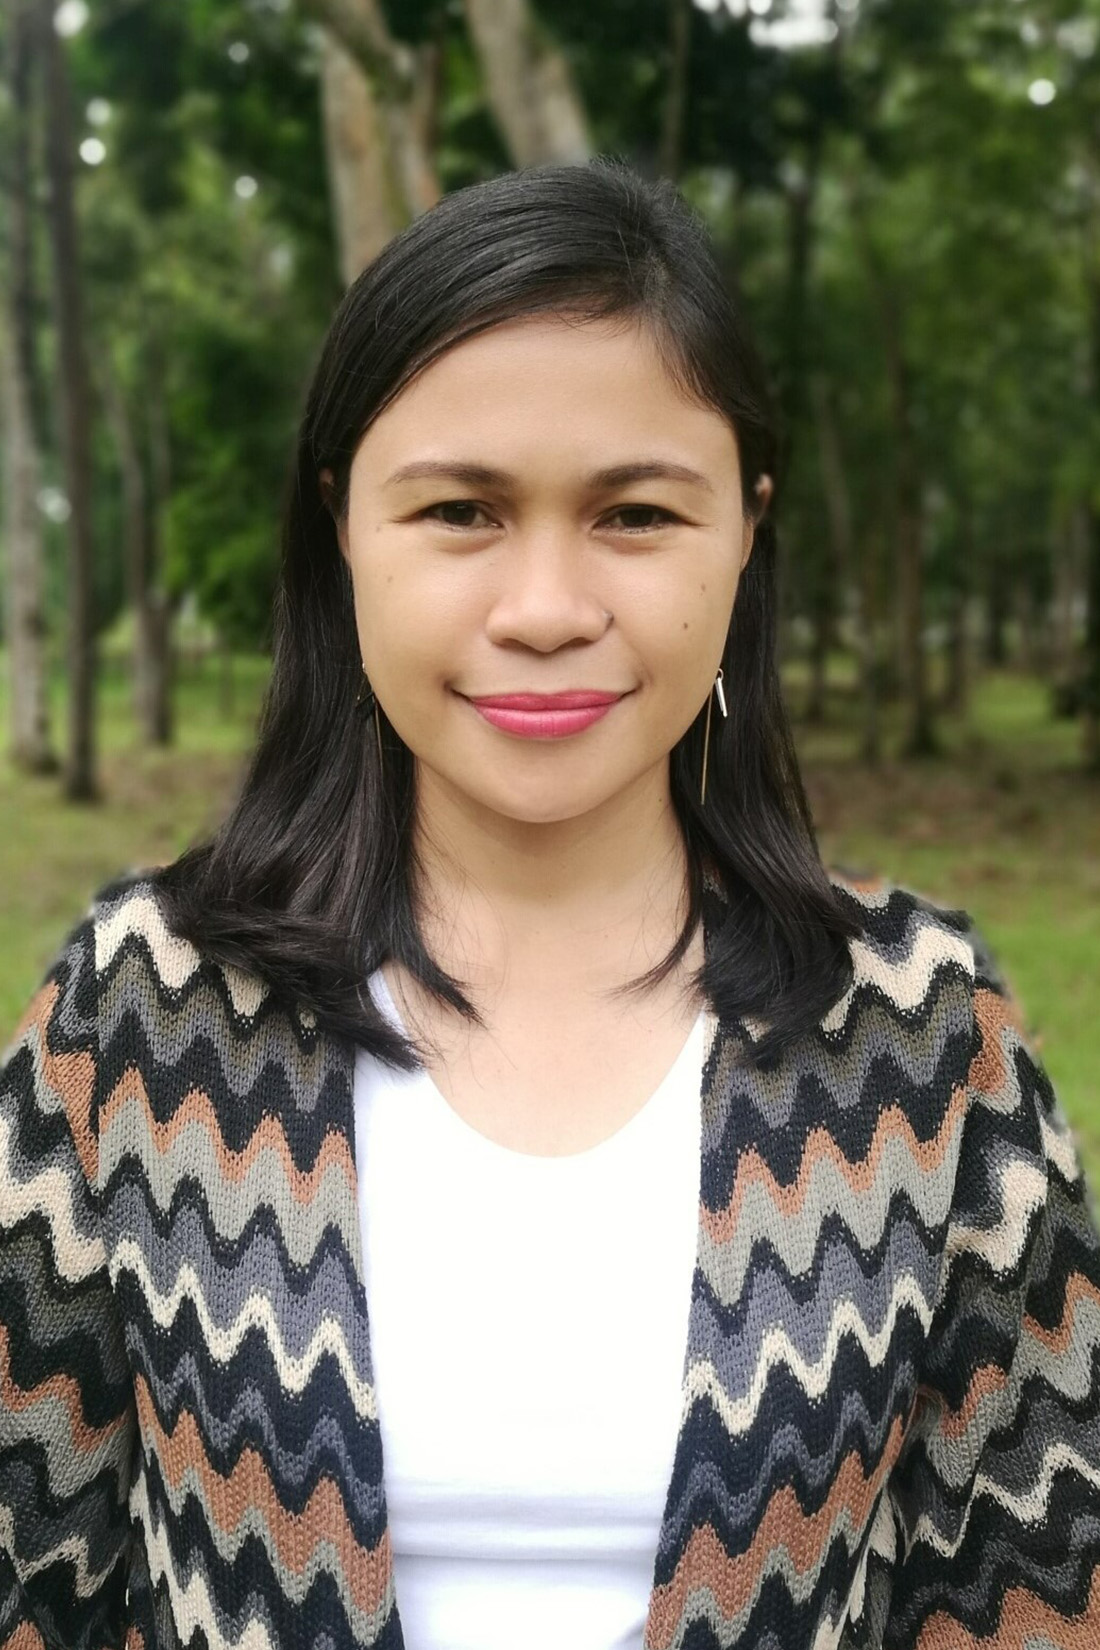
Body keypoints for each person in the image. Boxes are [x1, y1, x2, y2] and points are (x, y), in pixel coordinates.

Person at [1, 158, 1098, 1650]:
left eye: (636, 515)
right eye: (460, 510)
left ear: (745, 531)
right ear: (344, 529)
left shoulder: (919, 1032)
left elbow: (1036, 1599)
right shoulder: (137, 1013)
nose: (543, 605)